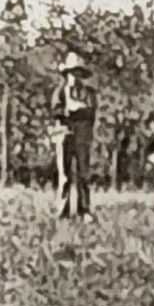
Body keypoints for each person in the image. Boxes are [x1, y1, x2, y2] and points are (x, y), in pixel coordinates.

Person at [50, 52, 97, 221]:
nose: (75, 77)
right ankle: (62, 211)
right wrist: (67, 111)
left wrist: (79, 109)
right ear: (67, 74)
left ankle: (84, 210)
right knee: (64, 175)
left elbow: (91, 112)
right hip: (64, 135)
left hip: (82, 137)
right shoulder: (60, 92)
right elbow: (55, 111)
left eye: (78, 73)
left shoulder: (88, 93)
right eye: (72, 73)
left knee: (83, 174)